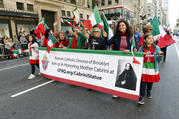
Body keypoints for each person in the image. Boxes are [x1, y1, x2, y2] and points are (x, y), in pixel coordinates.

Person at [106, 20, 133, 98]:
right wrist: (104, 36)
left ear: (126, 27)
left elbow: (134, 48)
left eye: (123, 25)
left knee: (125, 75)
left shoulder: (131, 37)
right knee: (117, 75)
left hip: (127, 59)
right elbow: (107, 43)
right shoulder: (116, 36)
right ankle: (116, 91)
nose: (121, 27)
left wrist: (130, 50)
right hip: (116, 59)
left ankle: (125, 90)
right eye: (119, 26)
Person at [137, 33, 163, 105]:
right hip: (144, 68)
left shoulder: (156, 48)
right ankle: (141, 97)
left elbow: (159, 60)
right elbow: (138, 56)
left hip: (152, 68)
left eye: (152, 38)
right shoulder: (141, 48)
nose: (151, 39)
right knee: (143, 82)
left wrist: (160, 56)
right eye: (149, 38)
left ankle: (148, 91)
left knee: (150, 82)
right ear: (145, 40)